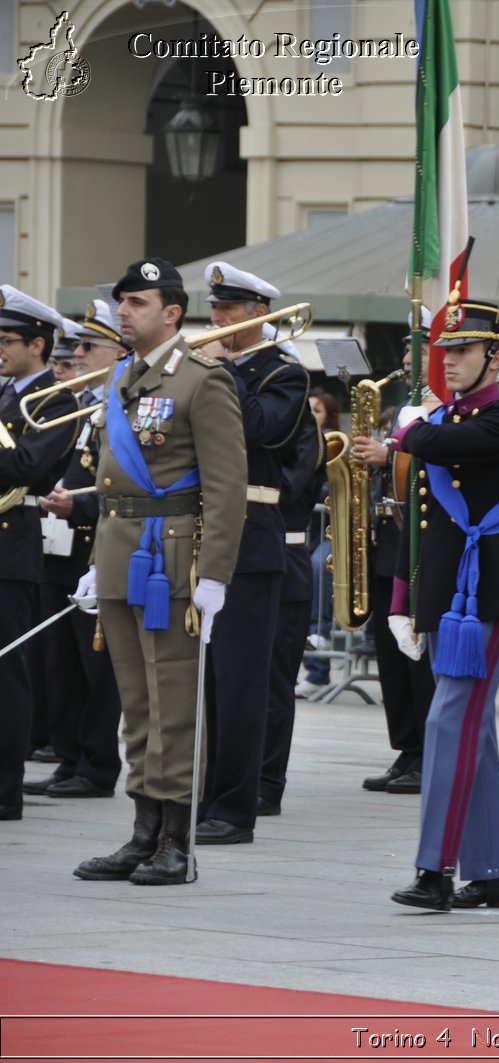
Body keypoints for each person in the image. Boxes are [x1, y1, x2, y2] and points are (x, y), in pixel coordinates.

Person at [353, 297, 499, 912]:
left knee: (448, 722)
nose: (449, 361)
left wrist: (407, 430)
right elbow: (419, 524)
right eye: (444, 351)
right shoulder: (447, 421)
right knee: (472, 732)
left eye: (463, 351)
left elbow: (425, 441)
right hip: (445, 590)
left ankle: (436, 869)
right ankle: (495, 871)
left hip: (484, 588)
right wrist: (404, 600)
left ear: (497, 357)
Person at [72, 258, 247, 884]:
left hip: (174, 557)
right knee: (137, 702)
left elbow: (228, 487)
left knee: (173, 699)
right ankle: (142, 830)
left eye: (137, 302)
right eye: (121, 302)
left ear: (172, 312)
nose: (123, 311)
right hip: (123, 552)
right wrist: (97, 563)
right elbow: (111, 483)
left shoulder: (204, 380)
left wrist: (216, 573)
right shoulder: (122, 377)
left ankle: (177, 839)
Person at [186, 263, 309, 846]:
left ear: (260, 315)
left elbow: (262, 429)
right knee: (205, 683)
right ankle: (205, 796)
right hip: (200, 528)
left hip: (254, 533)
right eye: (215, 309)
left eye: (230, 310)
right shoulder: (214, 367)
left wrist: (221, 370)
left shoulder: (283, 372)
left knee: (240, 682)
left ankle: (236, 808)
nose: (217, 320)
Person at [25, 301, 129, 800]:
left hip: (93, 546)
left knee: (96, 668)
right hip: (57, 546)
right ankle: (69, 758)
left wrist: (78, 506)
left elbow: (121, 482)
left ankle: (97, 763)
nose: (79, 355)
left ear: (118, 353)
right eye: (78, 347)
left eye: (90, 347)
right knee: (58, 664)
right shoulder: (82, 402)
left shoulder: (122, 402)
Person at [0, 287, 79, 820]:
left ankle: (5, 790)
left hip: (11, 543)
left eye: (6, 341)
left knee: (6, 671)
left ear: (38, 345)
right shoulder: (6, 395)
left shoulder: (58, 400)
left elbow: (28, 468)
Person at [354, 346, 437, 795]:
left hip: (420, 539)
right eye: (404, 351)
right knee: (390, 651)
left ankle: (428, 750)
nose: (406, 359)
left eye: (417, 350)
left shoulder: (440, 408)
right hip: (390, 537)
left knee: (418, 652)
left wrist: (387, 454)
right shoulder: (400, 406)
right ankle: (406, 747)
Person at [258, 404, 325, 816]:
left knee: (274, 683)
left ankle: (267, 782)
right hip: (240, 561)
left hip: (285, 559)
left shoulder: (300, 428)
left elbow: (285, 489)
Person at [298, 388, 341, 698]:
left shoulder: (333, 444)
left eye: (318, 410)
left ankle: (319, 661)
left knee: (316, 569)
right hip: (307, 530)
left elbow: (329, 490)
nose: (313, 414)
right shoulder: (299, 441)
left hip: (331, 531)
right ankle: (311, 669)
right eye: (309, 409)